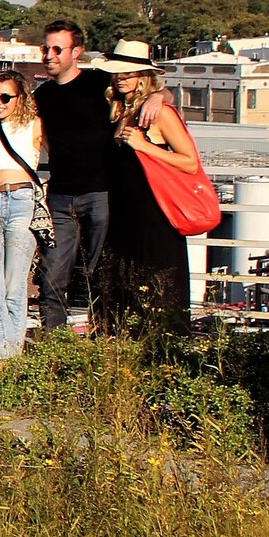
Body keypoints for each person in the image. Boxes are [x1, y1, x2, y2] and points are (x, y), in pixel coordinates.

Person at [89, 42, 193, 337]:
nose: (120, 78)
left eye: (128, 72)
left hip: (154, 215)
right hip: (122, 215)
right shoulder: (117, 110)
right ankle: (121, 354)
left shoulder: (161, 114)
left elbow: (189, 162)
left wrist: (145, 146)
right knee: (118, 289)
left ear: (143, 75)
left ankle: (163, 355)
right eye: (117, 72)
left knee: (158, 289)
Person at [29, 21, 112, 333]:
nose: (49, 55)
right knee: (52, 276)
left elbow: (146, 90)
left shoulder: (98, 83)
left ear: (76, 52)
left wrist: (160, 98)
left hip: (100, 193)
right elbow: (6, 115)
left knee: (101, 273)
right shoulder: (44, 94)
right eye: (45, 49)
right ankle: (54, 349)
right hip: (60, 197)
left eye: (56, 49)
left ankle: (107, 342)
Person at [0, 70, 45, 362]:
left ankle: (8, 361)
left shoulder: (34, 126)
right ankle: (2, 358)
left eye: (5, 97)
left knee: (14, 289)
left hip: (21, 201)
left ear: (21, 99)